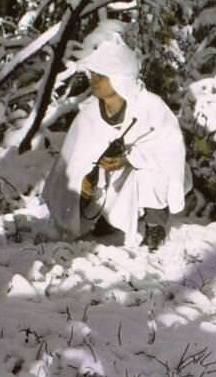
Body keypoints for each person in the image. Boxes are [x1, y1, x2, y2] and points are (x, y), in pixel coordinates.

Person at [42, 36, 187, 249]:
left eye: (101, 76)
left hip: (142, 176)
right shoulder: (89, 115)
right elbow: (72, 161)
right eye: (93, 74)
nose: (94, 80)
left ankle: (154, 225)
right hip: (106, 181)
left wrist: (129, 159)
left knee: (151, 172)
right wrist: (84, 180)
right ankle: (102, 219)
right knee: (81, 180)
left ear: (120, 79)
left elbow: (169, 153)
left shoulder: (151, 108)